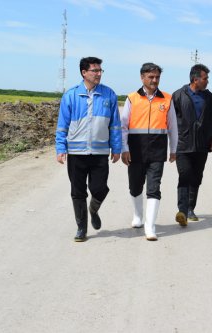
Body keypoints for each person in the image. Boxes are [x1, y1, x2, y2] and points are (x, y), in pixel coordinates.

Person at [56, 57, 121, 242]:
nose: (99, 74)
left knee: (100, 189)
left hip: (100, 153)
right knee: (78, 191)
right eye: (95, 70)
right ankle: (81, 228)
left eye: (100, 70)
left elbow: (115, 125)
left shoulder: (109, 95)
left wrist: (116, 148)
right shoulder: (71, 96)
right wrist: (60, 148)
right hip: (76, 153)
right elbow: (62, 125)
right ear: (84, 73)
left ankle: (93, 209)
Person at [120, 63, 178, 241]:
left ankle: (150, 226)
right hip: (135, 150)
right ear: (142, 77)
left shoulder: (167, 99)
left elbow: (173, 126)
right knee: (135, 186)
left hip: (157, 151)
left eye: (157, 77)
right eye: (151, 77)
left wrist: (173, 149)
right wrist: (124, 148)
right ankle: (138, 216)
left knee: (154, 188)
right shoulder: (132, 98)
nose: (154, 80)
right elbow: (123, 126)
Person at [172, 64, 212, 226]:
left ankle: (191, 208)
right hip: (183, 144)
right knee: (185, 175)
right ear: (195, 79)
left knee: (197, 176)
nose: (207, 82)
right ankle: (182, 211)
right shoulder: (178, 96)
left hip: (202, 145)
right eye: (205, 79)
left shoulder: (209, 97)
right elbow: (170, 121)